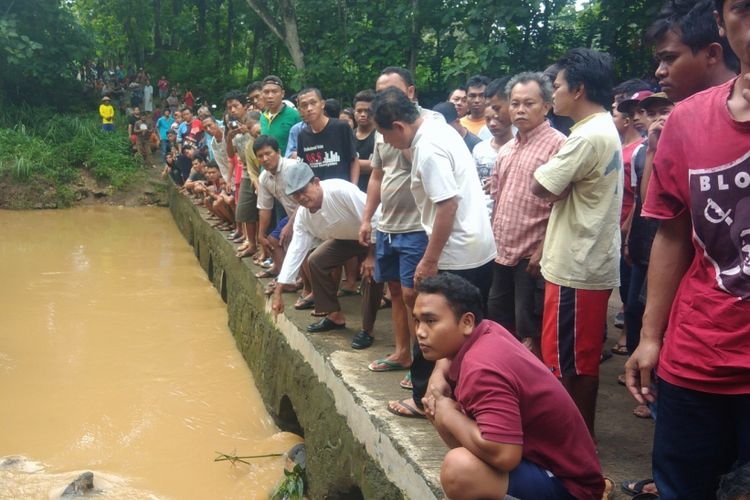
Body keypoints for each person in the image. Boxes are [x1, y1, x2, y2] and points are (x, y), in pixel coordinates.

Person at [625, 1, 750, 497]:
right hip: (699, 359)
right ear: (722, 22)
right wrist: (651, 336)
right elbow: (673, 233)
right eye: (743, 6)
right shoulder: (687, 121)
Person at [417, 273, 605, 500]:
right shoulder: (486, 331)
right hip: (548, 465)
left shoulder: (482, 369)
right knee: (444, 416)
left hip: (571, 487)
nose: (420, 331)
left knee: (460, 470)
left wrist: (448, 415)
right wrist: (438, 373)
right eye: (417, 320)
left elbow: (505, 454)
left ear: (467, 322)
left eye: (431, 321)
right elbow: (446, 359)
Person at [372, 86, 497, 419]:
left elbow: (446, 205)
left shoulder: (428, 148)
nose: (386, 143)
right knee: (469, 330)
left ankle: (421, 395)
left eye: (385, 135)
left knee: (434, 326)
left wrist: (429, 260)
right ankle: (461, 398)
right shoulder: (438, 127)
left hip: (457, 253)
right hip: (477, 247)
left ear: (398, 126)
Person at [530, 48, 622, 439]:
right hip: (580, 261)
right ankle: (575, 440)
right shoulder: (599, 130)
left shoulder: (586, 137)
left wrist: (552, 181)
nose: (554, 95)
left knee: (571, 363)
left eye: (558, 87)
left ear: (579, 89)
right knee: (573, 357)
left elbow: (540, 186)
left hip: (577, 266)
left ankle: (575, 445)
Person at [358, 67, 434, 381]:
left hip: (416, 225)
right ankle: (403, 352)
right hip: (388, 224)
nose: (386, 97)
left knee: (413, 294)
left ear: (411, 92)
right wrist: (367, 218)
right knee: (394, 289)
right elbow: (377, 174)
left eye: (394, 90)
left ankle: (422, 364)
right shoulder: (380, 128)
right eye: (380, 91)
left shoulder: (428, 127)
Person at [488, 72, 567, 360]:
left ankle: (534, 383)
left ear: (546, 106)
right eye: (515, 103)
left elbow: (562, 204)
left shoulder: (558, 145)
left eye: (528, 103)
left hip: (532, 255)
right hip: (501, 250)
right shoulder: (507, 148)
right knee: (498, 319)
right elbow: (497, 196)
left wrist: (541, 249)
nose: (520, 109)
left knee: (531, 327)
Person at [271, 162, 384, 350]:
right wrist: (278, 291)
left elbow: (374, 218)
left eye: (303, 190)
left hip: (376, 235)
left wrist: (371, 255)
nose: (301, 198)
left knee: (370, 274)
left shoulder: (340, 190)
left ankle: (367, 329)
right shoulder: (303, 216)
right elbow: (295, 251)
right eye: (295, 195)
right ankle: (334, 315)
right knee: (316, 260)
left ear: (316, 182)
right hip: (346, 238)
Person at [647, 0, 738, 103]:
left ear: (712, 53)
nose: (659, 72)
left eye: (669, 58)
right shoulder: (680, 116)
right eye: (659, 61)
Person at [253, 135, 301, 293]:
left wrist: (290, 225)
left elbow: (305, 201)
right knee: (272, 240)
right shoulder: (264, 177)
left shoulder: (292, 168)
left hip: (309, 212)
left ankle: (300, 283)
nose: (265, 159)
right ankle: (285, 278)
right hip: (292, 214)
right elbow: (265, 208)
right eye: (260, 156)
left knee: (297, 244)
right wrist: (261, 235)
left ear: (278, 152)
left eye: (268, 153)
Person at [296, 87, 360, 184]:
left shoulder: (341, 127)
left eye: (313, 103)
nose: (309, 108)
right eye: (304, 105)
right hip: (318, 194)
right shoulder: (302, 135)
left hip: (342, 192)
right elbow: (303, 168)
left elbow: (354, 160)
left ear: (322, 104)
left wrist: (353, 188)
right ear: (300, 110)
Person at [260, 75, 301, 155]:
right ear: (262, 94)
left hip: (289, 166)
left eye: (274, 92)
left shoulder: (295, 115)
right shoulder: (262, 117)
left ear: (282, 94)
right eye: (266, 92)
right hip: (266, 166)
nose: (270, 96)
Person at [353, 89, 377, 193]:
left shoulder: (381, 135)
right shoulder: (348, 135)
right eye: (359, 111)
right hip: (353, 193)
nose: (363, 114)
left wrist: (351, 164)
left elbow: (381, 167)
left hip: (374, 193)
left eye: (367, 111)